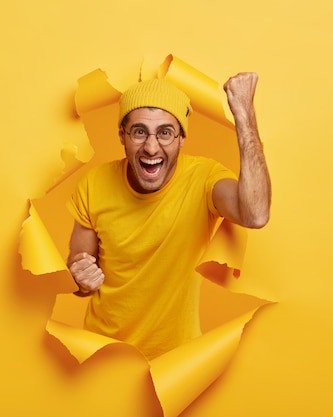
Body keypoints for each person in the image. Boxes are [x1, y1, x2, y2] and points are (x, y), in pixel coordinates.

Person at [66, 73, 271, 360]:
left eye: (165, 133)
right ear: (122, 136)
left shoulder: (204, 180)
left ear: (182, 138)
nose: (151, 147)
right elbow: (78, 274)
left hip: (176, 362)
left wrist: (245, 116)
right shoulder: (93, 185)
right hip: (103, 354)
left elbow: (256, 213)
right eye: (139, 132)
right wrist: (80, 279)